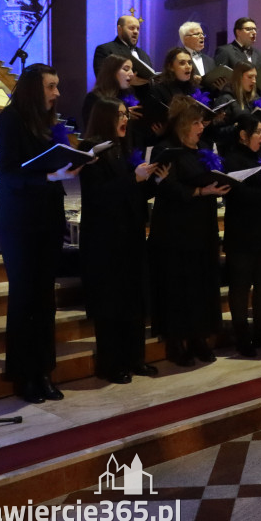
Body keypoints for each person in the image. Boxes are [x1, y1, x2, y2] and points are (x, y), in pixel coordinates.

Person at [0, 64, 82, 403]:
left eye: (57, 86)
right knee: (24, 298)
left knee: (45, 299)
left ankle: (44, 371)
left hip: (47, 218)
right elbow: (9, 174)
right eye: (51, 86)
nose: (57, 93)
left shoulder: (48, 124)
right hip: (19, 221)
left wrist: (72, 165)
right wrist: (49, 177)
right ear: (34, 88)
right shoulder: (10, 120)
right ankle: (23, 376)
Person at [79, 98, 162, 384]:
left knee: (133, 299)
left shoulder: (126, 148)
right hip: (105, 238)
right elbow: (98, 195)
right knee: (111, 303)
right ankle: (111, 364)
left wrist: (154, 179)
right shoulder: (90, 151)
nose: (124, 119)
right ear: (104, 119)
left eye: (126, 114)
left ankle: (135, 358)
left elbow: (135, 193)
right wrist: (133, 180)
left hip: (131, 232)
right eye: (118, 115)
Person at [149, 95, 230, 367]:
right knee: (178, 286)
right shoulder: (166, 149)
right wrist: (199, 190)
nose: (201, 127)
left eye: (202, 122)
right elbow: (164, 186)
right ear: (183, 124)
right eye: (196, 122)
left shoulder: (204, 148)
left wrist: (217, 185)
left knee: (201, 284)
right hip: (175, 228)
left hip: (202, 226)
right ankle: (176, 342)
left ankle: (199, 337)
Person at [222, 114, 261, 357]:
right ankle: (242, 336)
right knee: (240, 287)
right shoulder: (233, 159)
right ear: (243, 135)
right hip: (242, 233)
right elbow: (242, 195)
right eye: (258, 131)